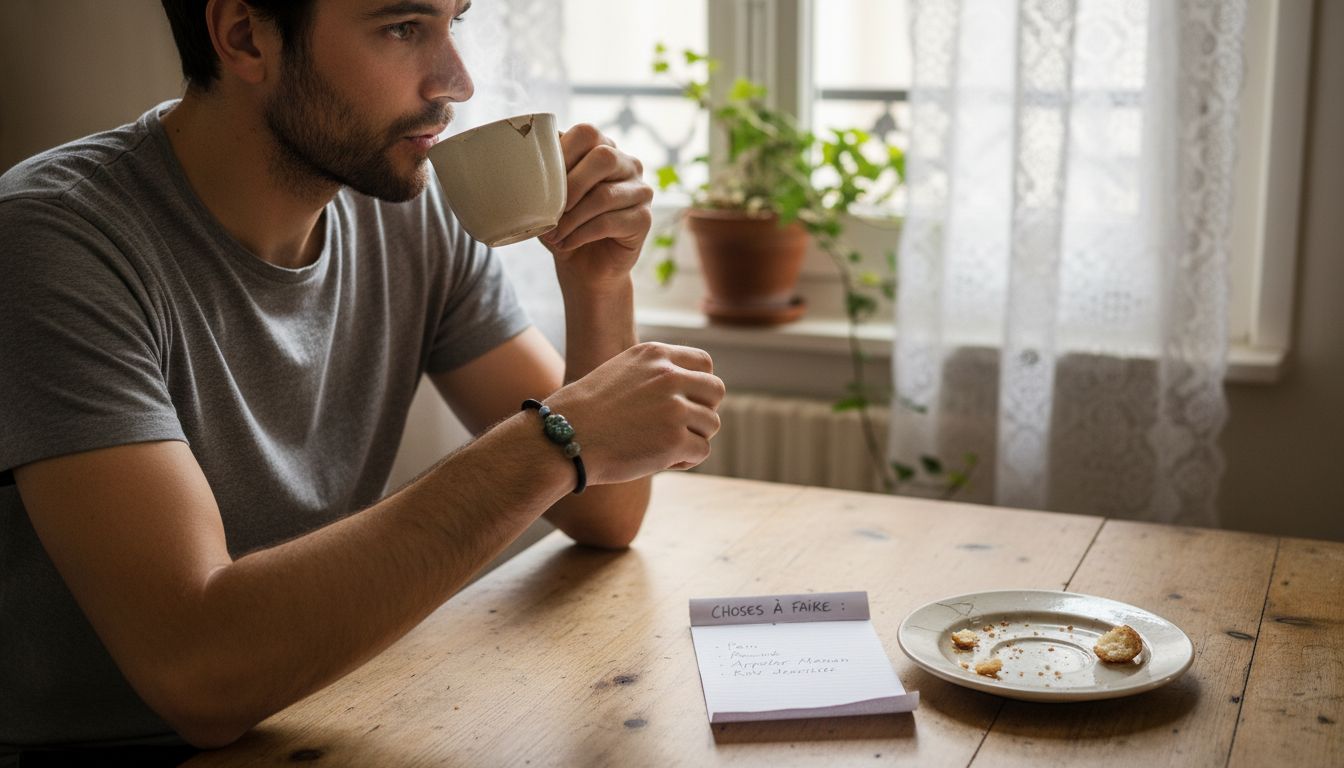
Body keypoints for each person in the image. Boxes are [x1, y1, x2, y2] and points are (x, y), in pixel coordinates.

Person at [0, 0, 724, 754]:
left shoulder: (406, 213)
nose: (458, 81)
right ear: (246, 36)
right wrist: (550, 441)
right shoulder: (53, 243)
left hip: (319, 721)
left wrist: (597, 281)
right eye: (403, 28)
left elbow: (602, 513)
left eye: (455, 23)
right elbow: (198, 673)